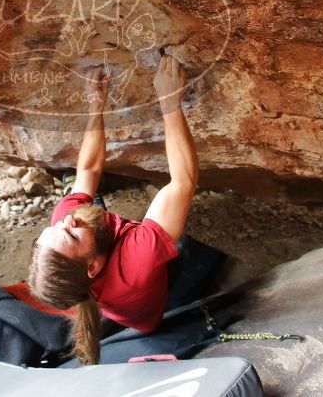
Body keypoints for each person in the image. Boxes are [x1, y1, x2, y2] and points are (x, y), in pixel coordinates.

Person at [28, 54, 200, 365]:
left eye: (54, 228)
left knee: (85, 206)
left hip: (105, 264)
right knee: (178, 243)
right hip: (146, 312)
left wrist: (96, 104)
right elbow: (183, 181)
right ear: (92, 267)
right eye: (69, 233)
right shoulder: (137, 261)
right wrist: (170, 102)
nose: (66, 219)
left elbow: (89, 170)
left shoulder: (68, 227)